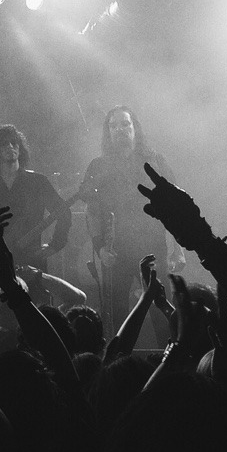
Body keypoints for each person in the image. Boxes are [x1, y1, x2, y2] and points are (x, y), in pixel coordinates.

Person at [80, 106, 181, 338]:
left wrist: (178, 249)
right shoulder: (98, 166)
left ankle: (170, 364)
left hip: (153, 246)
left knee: (162, 309)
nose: (120, 130)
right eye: (113, 126)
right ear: (108, 132)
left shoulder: (154, 160)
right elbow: (91, 210)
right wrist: (100, 248)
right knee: (117, 317)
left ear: (135, 127)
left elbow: (174, 204)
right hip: (116, 251)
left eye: (125, 124)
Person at [0, 124, 71, 271]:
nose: (10, 146)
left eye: (14, 143)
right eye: (4, 143)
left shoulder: (38, 182)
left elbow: (64, 212)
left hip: (31, 264)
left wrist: (55, 245)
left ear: (20, 148)